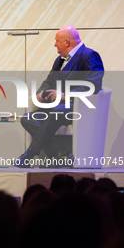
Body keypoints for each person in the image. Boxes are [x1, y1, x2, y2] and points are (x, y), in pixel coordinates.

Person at [17, 26, 104, 167]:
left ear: (67, 42)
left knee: (56, 112)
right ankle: (61, 153)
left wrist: (65, 95)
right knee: (27, 118)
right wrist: (41, 93)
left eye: (57, 41)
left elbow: (94, 85)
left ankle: (29, 154)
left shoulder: (89, 55)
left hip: (76, 107)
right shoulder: (59, 60)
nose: (55, 44)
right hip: (56, 106)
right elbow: (49, 81)